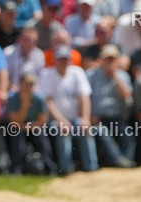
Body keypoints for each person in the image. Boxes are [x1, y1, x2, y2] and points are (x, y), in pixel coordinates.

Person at [40, 44, 98, 174]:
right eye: (60, 59)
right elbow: (48, 102)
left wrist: (85, 119)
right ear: (55, 60)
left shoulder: (77, 72)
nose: (63, 62)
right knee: (62, 130)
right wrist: (61, 121)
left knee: (85, 128)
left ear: (70, 60)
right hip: (54, 121)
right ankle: (66, 168)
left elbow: (85, 98)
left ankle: (91, 167)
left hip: (74, 119)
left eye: (65, 59)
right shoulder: (47, 74)